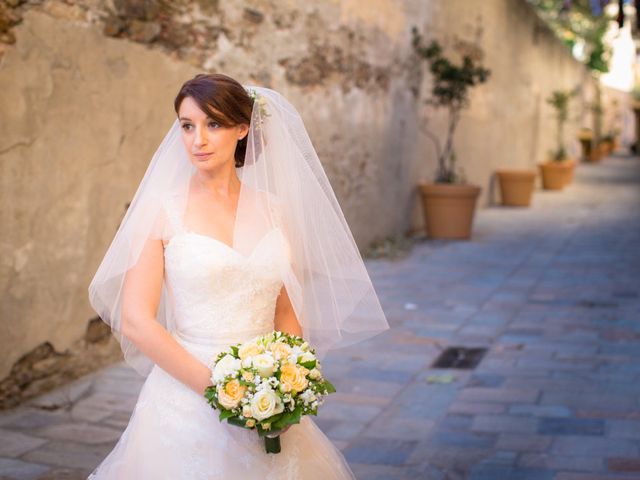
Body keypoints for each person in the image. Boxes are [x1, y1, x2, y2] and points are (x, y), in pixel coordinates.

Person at [87, 73, 388, 479]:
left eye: (213, 124)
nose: (198, 140)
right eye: (187, 126)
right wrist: (219, 391)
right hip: (186, 395)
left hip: (266, 391)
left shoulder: (273, 209)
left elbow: (285, 310)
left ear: (242, 128)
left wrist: (287, 381)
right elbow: (137, 321)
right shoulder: (161, 210)